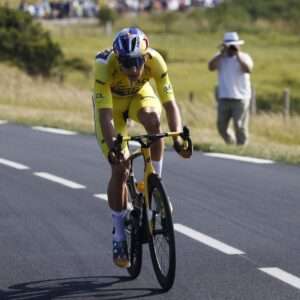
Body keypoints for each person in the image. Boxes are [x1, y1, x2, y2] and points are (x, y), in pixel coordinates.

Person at [93, 27, 192, 268]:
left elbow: (170, 103)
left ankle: (154, 186)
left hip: (140, 96)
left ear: (145, 56)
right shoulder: (104, 65)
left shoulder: (156, 60)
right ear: (118, 57)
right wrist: (115, 147)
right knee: (120, 167)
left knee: (154, 123)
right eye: (126, 62)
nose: (133, 68)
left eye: (137, 61)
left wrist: (178, 137)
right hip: (112, 108)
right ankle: (118, 233)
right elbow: (105, 116)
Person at [208, 32, 254, 145]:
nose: (231, 48)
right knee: (221, 126)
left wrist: (237, 54)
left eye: (233, 45)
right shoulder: (220, 58)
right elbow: (210, 67)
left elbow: (248, 69)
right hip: (224, 97)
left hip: (241, 97)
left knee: (240, 125)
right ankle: (231, 143)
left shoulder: (244, 57)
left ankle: (242, 147)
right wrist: (221, 53)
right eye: (229, 46)